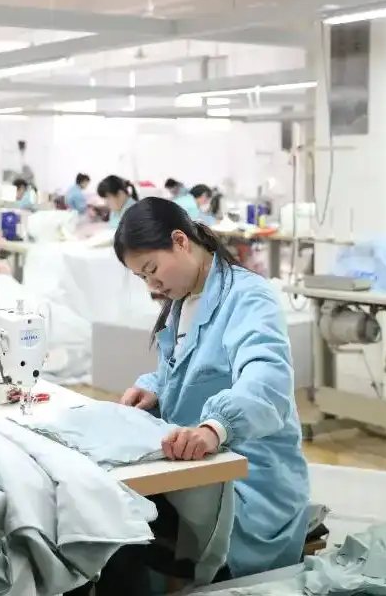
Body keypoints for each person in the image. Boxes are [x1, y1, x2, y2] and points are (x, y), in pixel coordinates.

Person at [98, 197, 309, 594]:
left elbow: (268, 379)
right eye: (142, 278)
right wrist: (153, 387)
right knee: (106, 513)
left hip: (249, 476)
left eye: (152, 270)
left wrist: (216, 427)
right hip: (195, 463)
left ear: (180, 241)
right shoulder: (185, 300)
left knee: (119, 531)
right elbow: (183, 371)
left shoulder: (248, 296)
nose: (152, 286)